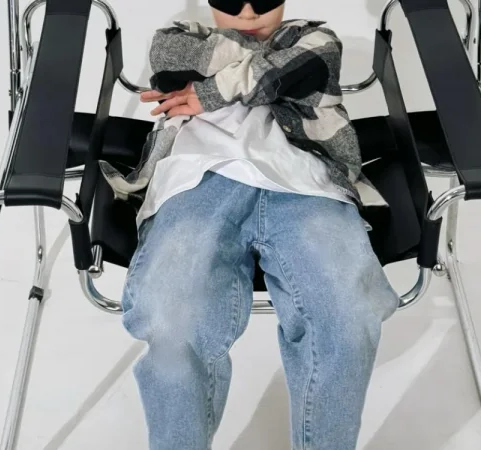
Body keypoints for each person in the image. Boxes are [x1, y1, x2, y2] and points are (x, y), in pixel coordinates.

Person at [118, 1, 399, 448]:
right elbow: (176, 62)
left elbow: (311, 62)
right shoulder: (178, 37)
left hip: (307, 182)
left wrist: (211, 91)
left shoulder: (314, 38)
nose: (248, 14)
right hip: (197, 181)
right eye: (232, 0)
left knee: (348, 317)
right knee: (171, 320)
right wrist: (272, 74)